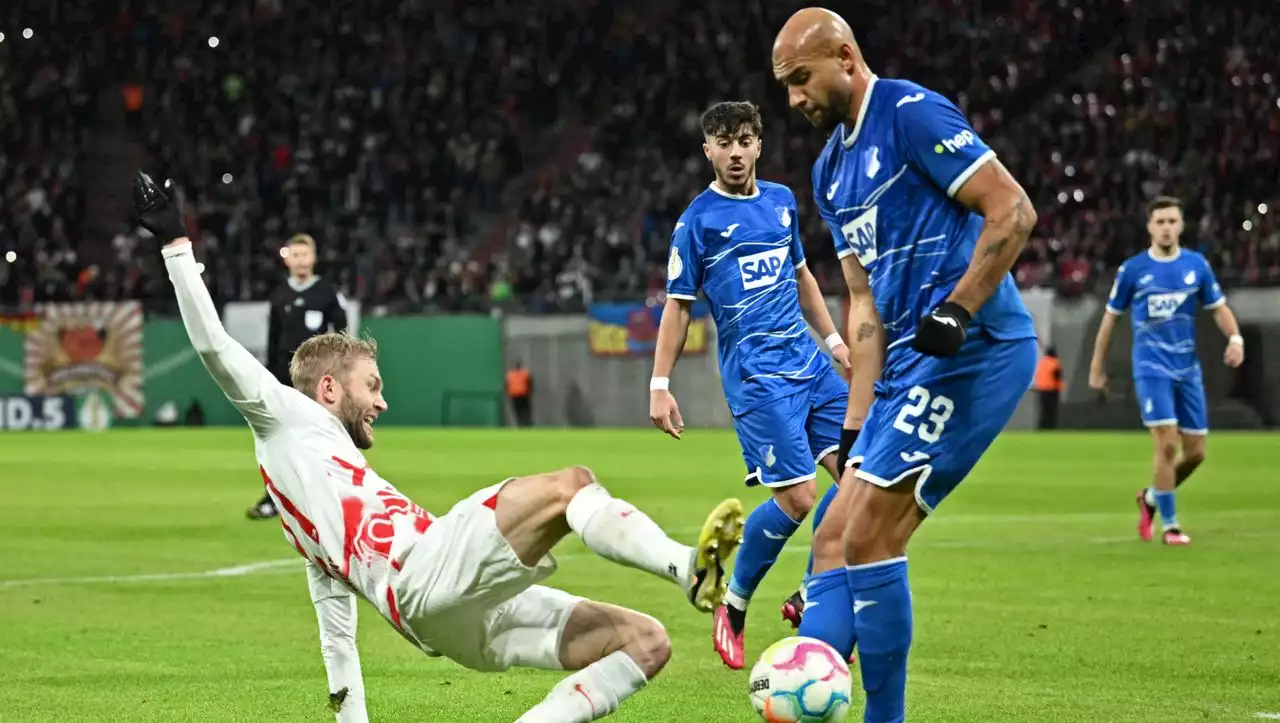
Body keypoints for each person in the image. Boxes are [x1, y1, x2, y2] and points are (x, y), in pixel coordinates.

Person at [132, 171, 744, 723]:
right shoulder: (286, 419)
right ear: (326, 389)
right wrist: (176, 246)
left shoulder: (311, 506)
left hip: (451, 621)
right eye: (371, 386)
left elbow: (337, 639)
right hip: (424, 573)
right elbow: (213, 345)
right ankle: (688, 568)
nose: (382, 402)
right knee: (571, 485)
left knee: (646, 643)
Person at [771, 9, 1040, 722]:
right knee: (831, 535)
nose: (794, 98)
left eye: (801, 79)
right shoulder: (829, 171)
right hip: (903, 373)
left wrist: (959, 307)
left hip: (974, 351)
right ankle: (810, 699)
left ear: (845, 57)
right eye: (786, 87)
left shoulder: (911, 113)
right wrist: (856, 421)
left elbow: (1012, 210)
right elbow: (863, 307)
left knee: (869, 535)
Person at [648, 101, 852, 670]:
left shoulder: (783, 202)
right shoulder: (698, 221)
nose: (735, 152)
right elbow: (678, 306)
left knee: (862, 479)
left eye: (744, 140)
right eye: (722, 141)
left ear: (759, 144)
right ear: (707, 150)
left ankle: (812, 595)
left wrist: (834, 343)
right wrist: (659, 383)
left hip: (809, 367)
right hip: (759, 379)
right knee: (798, 499)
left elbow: (802, 276)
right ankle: (732, 605)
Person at [1087, 196, 1244, 546]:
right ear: (1149, 226)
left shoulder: (1196, 266)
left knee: (1197, 453)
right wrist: (1096, 367)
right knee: (1167, 445)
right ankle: (1171, 526)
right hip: (1150, 366)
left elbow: (1218, 308)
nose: (1167, 227)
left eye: (1172, 221)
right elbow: (1110, 320)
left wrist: (1235, 339)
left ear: (1181, 225)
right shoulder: (1133, 270)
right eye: (1160, 221)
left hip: (1187, 368)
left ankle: (1153, 498)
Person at [248, 233, 349, 520]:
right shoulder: (280, 294)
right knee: (280, 438)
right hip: (284, 380)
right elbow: (273, 339)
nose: (301, 260)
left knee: (319, 436)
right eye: (296, 255)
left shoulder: (327, 293)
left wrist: (338, 371)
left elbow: (341, 335)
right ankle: (275, 498)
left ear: (313, 258)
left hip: (318, 380)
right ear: (288, 259)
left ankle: (328, 496)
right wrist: (268, 377)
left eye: (306, 254)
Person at [1033, 347, 1064, 429]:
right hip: (1052, 390)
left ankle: (1042, 427)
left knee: (1043, 410)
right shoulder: (1055, 363)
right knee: (1052, 411)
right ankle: (1050, 427)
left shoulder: (1041, 363)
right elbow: (1057, 376)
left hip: (1041, 390)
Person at [507, 361, 533, 427]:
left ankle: (519, 424)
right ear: (520, 367)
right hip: (523, 395)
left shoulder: (510, 375)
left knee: (517, 411)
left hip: (515, 395)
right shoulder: (525, 373)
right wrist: (529, 393)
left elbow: (507, 385)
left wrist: (510, 393)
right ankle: (527, 424)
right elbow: (530, 384)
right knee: (526, 411)